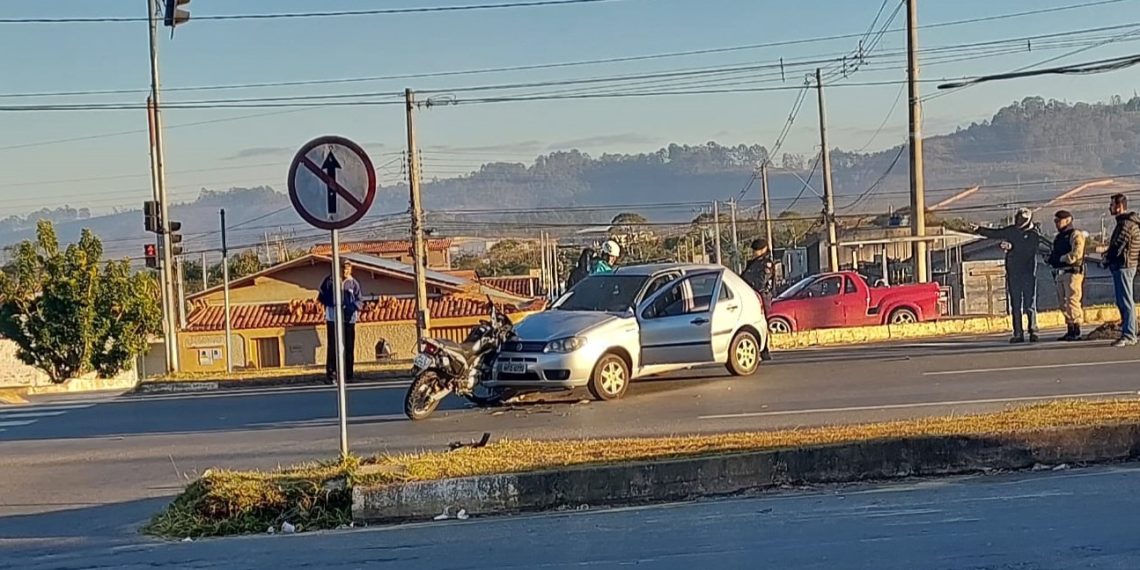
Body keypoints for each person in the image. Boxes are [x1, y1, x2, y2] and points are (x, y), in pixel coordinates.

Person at [972, 208, 1043, 343]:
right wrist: (979, 229)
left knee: (1029, 304)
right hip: (1013, 272)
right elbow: (996, 233)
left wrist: (1012, 247)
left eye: (1021, 219)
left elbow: (1029, 250)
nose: (1018, 221)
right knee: (1015, 304)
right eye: (1017, 218)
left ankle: (1033, 331)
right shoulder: (1012, 231)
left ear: (1028, 220)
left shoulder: (1034, 234)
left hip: (1028, 272)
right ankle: (1018, 333)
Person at [1102, 194, 1140, 347]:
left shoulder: (1126, 224)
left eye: (1111, 205)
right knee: (1123, 300)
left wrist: (1107, 258)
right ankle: (1129, 332)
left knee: (1125, 301)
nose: (1110, 208)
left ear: (1119, 206)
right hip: (1124, 265)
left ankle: (1129, 334)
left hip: (1124, 265)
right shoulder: (1127, 223)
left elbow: (1118, 245)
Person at [1045, 210, 1087, 342]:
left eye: (1059, 221)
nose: (1056, 224)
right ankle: (1069, 327)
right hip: (1060, 273)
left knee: (1072, 301)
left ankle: (1076, 329)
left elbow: (1076, 255)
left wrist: (1060, 259)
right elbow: (1054, 254)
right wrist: (1052, 259)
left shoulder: (1075, 235)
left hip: (1072, 273)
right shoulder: (1058, 238)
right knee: (1063, 303)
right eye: (1055, 221)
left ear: (1068, 220)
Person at [319, 261, 363, 383]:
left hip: (348, 319)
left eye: (347, 269)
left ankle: (348, 374)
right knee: (333, 346)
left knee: (349, 346)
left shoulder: (354, 284)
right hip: (333, 318)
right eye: (343, 269)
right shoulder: (330, 281)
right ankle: (331, 373)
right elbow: (321, 297)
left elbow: (359, 301)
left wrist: (351, 307)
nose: (345, 271)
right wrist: (333, 303)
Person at [741, 238, 775, 361]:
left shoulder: (767, 264)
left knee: (762, 322)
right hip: (750, 295)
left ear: (764, 249)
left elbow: (761, 282)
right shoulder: (751, 263)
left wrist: (748, 284)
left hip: (762, 296)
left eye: (757, 250)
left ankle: (765, 350)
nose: (754, 253)